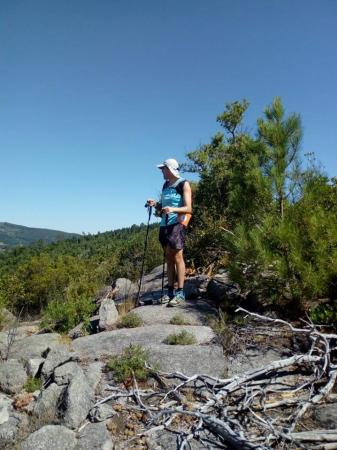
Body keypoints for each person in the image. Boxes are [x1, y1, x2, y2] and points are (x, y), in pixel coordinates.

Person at [147, 158, 192, 307]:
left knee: (178, 256)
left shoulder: (183, 184)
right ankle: (170, 291)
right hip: (164, 225)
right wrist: (156, 205)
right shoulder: (166, 185)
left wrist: (173, 209)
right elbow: (164, 208)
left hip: (177, 224)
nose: (162, 171)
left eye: (163, 169)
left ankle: (180, 292)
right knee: (168, 257)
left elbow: (188, 208)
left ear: (170, 169)